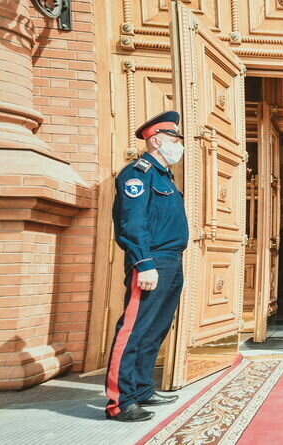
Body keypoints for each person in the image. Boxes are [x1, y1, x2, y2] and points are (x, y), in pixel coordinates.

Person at [106, 110, 188, 422]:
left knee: (155, 329)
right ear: (155, 140)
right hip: (151, 261)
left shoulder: (164, 176)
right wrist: (144, 262)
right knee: (134, 329)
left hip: (171, 261)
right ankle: (120, 401)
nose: (178, 144)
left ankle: (141, 389)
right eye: (174, 138)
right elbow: (132, 224)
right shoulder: (136, 174)